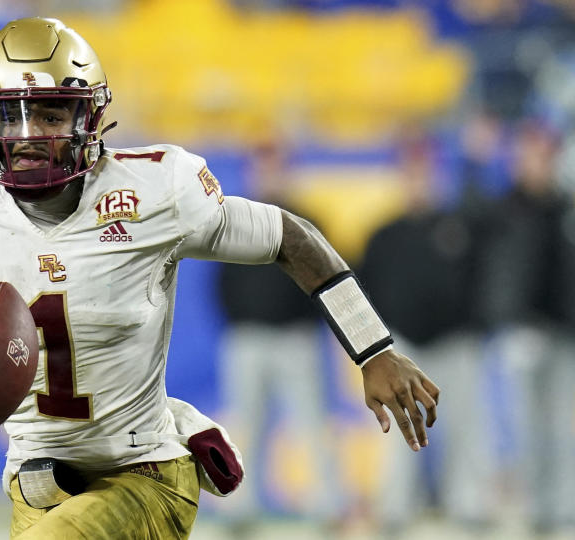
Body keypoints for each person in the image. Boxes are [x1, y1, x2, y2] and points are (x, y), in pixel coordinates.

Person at [0, 17, 439, 539]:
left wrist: (374, 350)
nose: (27, 138)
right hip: (38, 485)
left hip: (143, 474)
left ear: (88, 118)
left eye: (49, 116)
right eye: (8, 118)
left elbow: (287, 235)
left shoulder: (153, 192)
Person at [360, 134, 495, 534]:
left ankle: (469, 502)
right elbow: (365, 292)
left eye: (425, 171)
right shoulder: (383, 235)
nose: (418, 179)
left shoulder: (461, 227)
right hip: (401, 347)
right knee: (398, 430)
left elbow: (482, 279)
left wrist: (475, 327)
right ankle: (396, 506)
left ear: (436, 175)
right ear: (402, 175)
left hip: (456, 343)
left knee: (466, 427)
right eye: (411, 171)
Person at [215, 138, 344, 534]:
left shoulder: (306, 221)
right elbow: (221, 282)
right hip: (248, 338)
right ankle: (240, 505)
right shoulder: (234, 218)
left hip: (295, 338)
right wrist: (239, 319)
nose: (269, 174)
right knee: (246, 424)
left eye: (276, 165)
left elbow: (329, 278)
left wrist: (305, 320)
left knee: (311, 422)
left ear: (287, 170)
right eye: (263, 166)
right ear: (253, 171)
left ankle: (328, 502)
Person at [478, 120, 575, 536]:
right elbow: (493, 271)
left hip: (563, 330)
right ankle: (534, 507)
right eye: (527, 153)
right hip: (521, 332)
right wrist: (508, 319)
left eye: (542, 154)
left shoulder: (564, 207)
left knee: (561, 426)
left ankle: (562, 507)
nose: (534, 162)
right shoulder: (503, 209)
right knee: (523, 428)